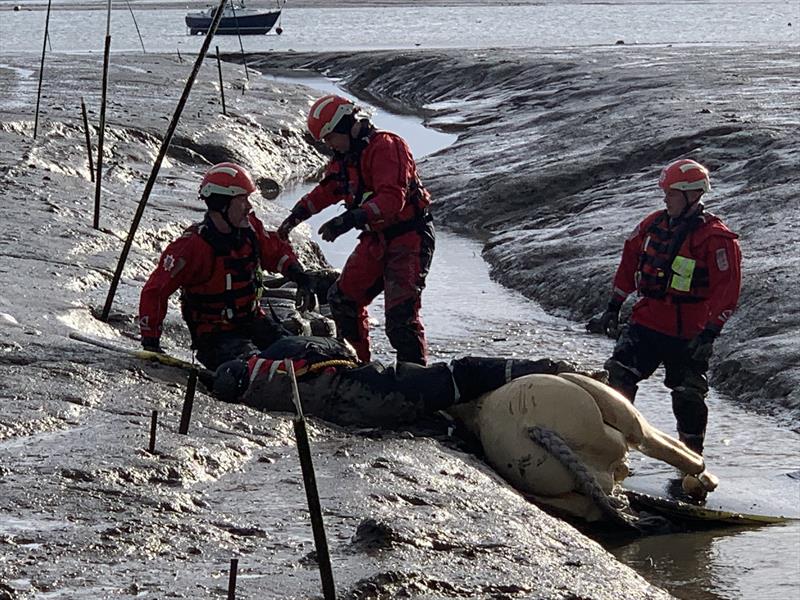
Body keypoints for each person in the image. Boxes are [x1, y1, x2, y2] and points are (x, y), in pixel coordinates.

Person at [587, 159, 742, 454]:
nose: (665, 199)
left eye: (671, 193)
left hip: (689, 332)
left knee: (688, 396)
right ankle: (610, 447)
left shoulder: (716, 239)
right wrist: (614, 305)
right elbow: (630, 258)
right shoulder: (653, 225)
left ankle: (691, 460)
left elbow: (728, 288)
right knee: (618, 377)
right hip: (647, 322)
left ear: (692, 195)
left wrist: (710, 334)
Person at [277, 94, 435, 366]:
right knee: (343, 299)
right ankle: (358, 366)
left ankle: (416, 379)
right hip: (377, 239)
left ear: (346, 126)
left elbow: (391, 199)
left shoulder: (386, 147)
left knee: (401, 317)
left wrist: (349, 219)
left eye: (330, 138)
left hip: (409, 238)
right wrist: (294, 218)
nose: (329, 146)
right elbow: (327, 191)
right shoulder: (345, 159)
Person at [139, 162, 312, 370]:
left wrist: (298, 274)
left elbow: (274, 251)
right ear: (221, 204)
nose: (249, 207)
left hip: (254, 321)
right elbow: (155, 292)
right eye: (242, 200)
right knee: (257, 368)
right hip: (216, 337)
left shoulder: (250, 229)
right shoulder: (191, 247)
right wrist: (151, 342)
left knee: (301, 353)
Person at [211, 335, 581, 428]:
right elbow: (335, 349)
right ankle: (553, 369)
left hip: (353, 409)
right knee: (462, 373)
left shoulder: (263, 394)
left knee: (444, 417)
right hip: (370, 391)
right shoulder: (283, 353)